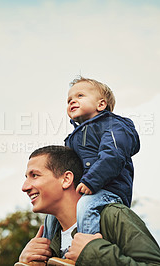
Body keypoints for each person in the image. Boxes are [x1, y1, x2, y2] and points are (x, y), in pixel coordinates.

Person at [15, 145, 160, 266]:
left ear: (66, 179)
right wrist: (25, 262)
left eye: (34, 175)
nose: (24, 187)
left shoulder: (113, 216)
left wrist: (93, 253)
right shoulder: (48, 237)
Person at [43, 77, 141, 249]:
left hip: (109, 190)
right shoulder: (73, 138)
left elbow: (113, 155)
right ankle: (45, 252)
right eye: (69, 100)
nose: (72, 101)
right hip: (86, 189)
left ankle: (84, 249)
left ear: (101, 105)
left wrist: (91, 181)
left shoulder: (114, 125)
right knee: (52, 215)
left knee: (86, 206)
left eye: (80, 96)